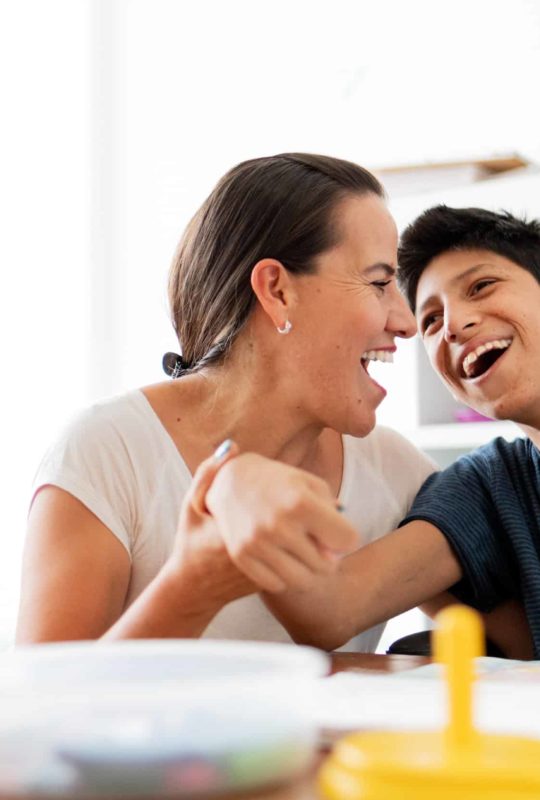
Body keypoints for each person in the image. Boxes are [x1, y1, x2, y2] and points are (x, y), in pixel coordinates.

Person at [17, 153, 434, 651]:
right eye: (379, 283)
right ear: (277, 290)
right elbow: (43, 711)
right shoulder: (107, 452)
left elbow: (503, 638)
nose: (406, 322)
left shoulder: (396, 472)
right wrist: (194, 585)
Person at [203, 205, 540, 660]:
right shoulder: (486, 488)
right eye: (432, 321)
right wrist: (231, 486)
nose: (455, 326)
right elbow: (329, 609)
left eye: (481, 287)